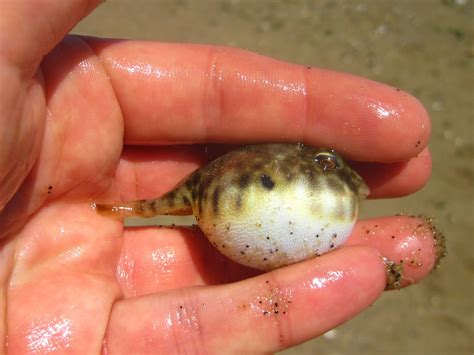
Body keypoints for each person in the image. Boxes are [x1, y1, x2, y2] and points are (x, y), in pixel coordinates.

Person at [0, 1, 439, 353]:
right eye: (326, 162)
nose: (353, 183)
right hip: (227, 198)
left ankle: (123, 208)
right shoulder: (286, 178)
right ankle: (122, 208)